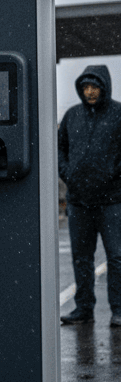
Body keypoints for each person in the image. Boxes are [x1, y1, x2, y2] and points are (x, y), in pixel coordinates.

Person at [59, 65, 121, 325]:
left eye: (94, 86)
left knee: (117, 257)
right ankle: (83, 309)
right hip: (78, 202)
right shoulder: (72, 116)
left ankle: (118, 310)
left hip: (112, 201)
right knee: (81, 258)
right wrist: (68, 174)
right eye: (85, 87)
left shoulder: (119, 114)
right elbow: (60, 149)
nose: (90, 91)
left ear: (104, 87)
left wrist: (112, 176)